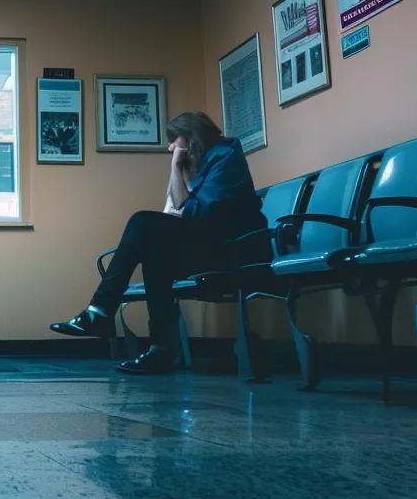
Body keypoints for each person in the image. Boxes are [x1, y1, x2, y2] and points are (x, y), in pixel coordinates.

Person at [49, 111, 268, 374]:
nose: (169, 147)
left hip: (237, 251)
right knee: (155, 251)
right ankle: (158, 349)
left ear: (190, 137)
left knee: (142, 222)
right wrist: (180, 172)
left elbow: (195, 213)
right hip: (213, 245)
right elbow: (179, 211)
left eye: (173, 140)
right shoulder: (203, 165)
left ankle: (102, 312)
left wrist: (177, 168)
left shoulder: (225, 156)